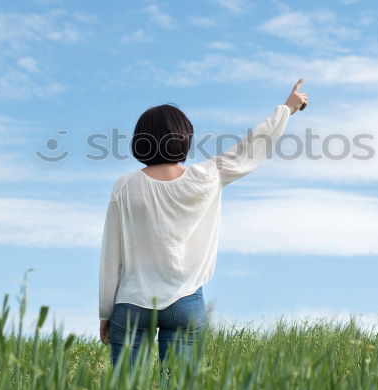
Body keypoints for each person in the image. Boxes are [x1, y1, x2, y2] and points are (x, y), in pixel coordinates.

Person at [98, 79, 309, 368]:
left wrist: (105, 312)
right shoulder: (207, 176)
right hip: (184, 300)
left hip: (132, 301)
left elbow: (112, 254)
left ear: (140, 139)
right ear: (185, 137)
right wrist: (287, 108)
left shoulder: (125, 186)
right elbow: (252, 147)